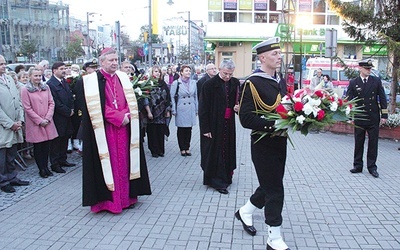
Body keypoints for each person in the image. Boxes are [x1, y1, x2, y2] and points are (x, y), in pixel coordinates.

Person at [76, 48, 151, 213]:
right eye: (111, 60)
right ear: (102, 62)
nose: (114, 63)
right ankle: (109, 202)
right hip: (105, 130)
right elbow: (93, 108)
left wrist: (126, 115)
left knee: (125, 163)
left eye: (116, 60)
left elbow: (129, 102)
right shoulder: (90, 81)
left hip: (124, 129)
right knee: (108, 164)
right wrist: (118, 117)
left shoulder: (123, 78)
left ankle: (126, 198)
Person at [237, 37, 290, 250]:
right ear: (262, 58)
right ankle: (274, 237)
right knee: (276, 189)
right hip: (263, 144)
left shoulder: (280, 80)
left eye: (279, 53)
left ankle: (245, 211)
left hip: (281, 142)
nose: (280, 57)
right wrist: (274, 125)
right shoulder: (253, 82)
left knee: (270, 183)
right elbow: (245, 119)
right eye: (275, 54)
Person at [198, 60, 239, 195]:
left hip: (228, 123)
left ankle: (227, 176)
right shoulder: (209, 85)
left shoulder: (235, 83)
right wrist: (205, 129)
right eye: (225, 73)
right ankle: (217, 181)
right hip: (213, 124)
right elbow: (203, 108)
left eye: (230, 74)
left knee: (227, 149)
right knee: (215, 152)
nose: (228, 77)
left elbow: (237, 102)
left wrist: (238, 108)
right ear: (220, 69)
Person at [347, 60, 388, 178]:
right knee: (359, 142)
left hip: (373, 116)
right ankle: (357, 165)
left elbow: (382, 98)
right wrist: (350, 116)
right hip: (360, 117)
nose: (369, 71)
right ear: (360, 68)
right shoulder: (354, 82)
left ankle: (372, 167)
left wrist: (384, 115)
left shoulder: (376, 81)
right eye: (366, 69)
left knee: (373, 143)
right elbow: (349, 101)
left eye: (370, 69)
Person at [20, 67, 58, 178]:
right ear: (30, 76)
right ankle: (41, 168)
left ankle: (46, 166)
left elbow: (51, 103)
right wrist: (39, 120)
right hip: (35, 123)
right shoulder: (25, 89)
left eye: (39, 75)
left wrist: (48, 118)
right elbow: (27, 108)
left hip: (47, 121)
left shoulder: (46, 87)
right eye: (35, 75)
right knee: (38, 147)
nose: (37, 78)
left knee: (46, 146)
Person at [0, 55, 30, 193]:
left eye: (4, 64)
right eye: (0, 64)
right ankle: (3, 180)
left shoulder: (9, 79)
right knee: (2, 156)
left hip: (15, 123)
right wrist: (10, 123)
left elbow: (18, 100)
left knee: (12, 152)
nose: (3, 67)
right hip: (4, 127)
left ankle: (12, 177)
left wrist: (20, 120)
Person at [47, 62, 76, 174]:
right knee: (57, 141)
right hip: (58, 117)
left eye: (65, 68)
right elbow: (55, 102)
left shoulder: (64, 82)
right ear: (54, 70)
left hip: (68, 116)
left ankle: (63, 160)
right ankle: (55, 164)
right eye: (61, 69)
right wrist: (67, 111)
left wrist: (72, 109)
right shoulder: (51, 84)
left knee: (65, 138)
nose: (64, 70)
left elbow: (70, 97)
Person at [170, 65, 198, 156]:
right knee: (181, 129)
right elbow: (172, 97)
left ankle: (187, 147)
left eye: (189, 71)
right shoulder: (176, 83)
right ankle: (182, 148)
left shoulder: (193, 82)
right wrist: (173, 109)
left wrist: (196, 108)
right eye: (186, 71)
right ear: (181, 72)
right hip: (181, 108)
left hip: (190, 108)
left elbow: (195, 96)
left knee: (189, 129)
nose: (188, 72)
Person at [146, 65, 171, 158]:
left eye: (159, 72)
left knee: (160, 131)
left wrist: (168, 110)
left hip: (162, 112)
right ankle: (154, 150)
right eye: (155, 71)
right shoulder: (148, 83)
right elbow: (145, 99)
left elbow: (168, 98)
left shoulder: (163, 83)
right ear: (151, 73)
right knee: (152, 132)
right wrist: (148, 111)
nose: (157, 73)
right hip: (152, 111)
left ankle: (161, 150)